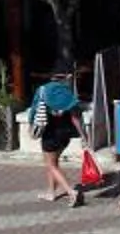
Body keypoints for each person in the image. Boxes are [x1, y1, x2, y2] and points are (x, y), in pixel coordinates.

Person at [33, 65, 85, 204]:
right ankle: (51, 192)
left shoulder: (42, 90)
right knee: (54, 162)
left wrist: (32, 126)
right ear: (65, 77)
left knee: (50, 164)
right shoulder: (67, 93)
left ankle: (71, 191)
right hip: (65, 135)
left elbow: (34, 110)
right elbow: (76, 116)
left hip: (50, 134)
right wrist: (84, 136)